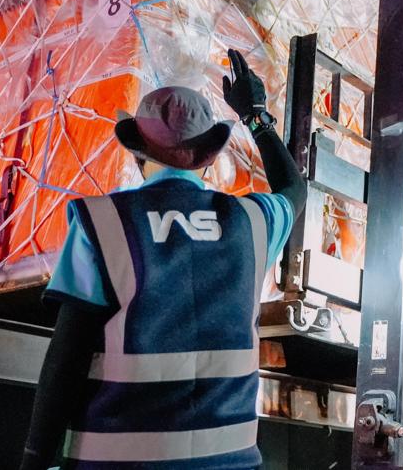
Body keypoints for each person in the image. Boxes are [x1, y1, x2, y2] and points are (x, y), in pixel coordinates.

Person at [20, 49, 306, 470]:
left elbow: (66, 357)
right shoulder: (253, 223)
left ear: (137, 154)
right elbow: (295, 190)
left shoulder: (101, 222)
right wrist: (256, 116)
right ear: (210, 158)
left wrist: (35, 459)